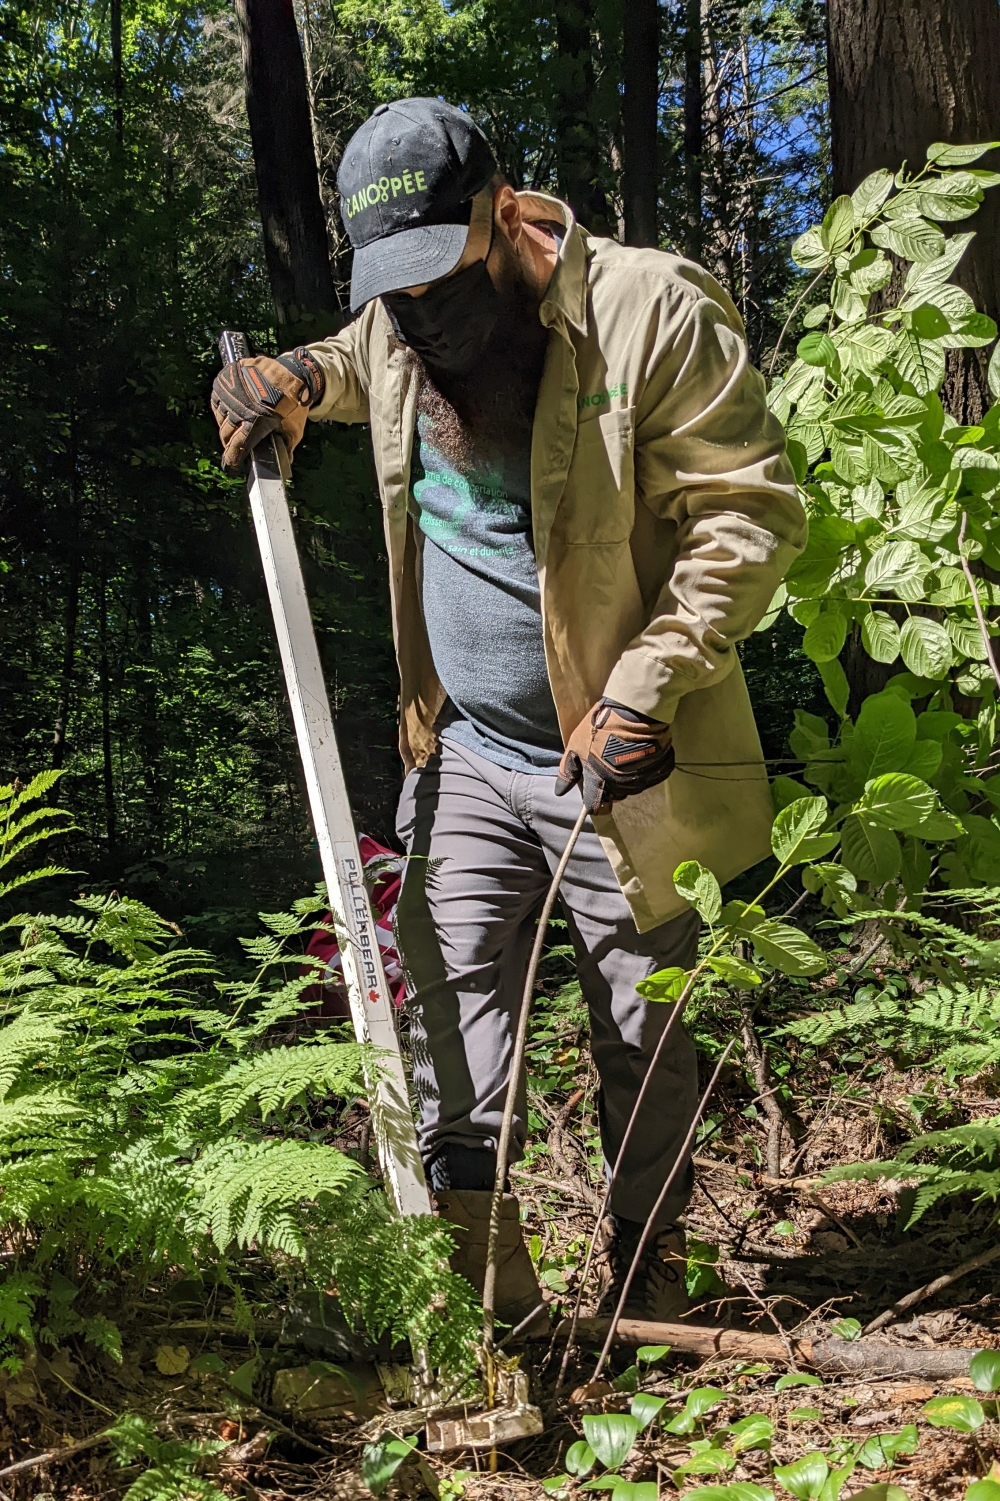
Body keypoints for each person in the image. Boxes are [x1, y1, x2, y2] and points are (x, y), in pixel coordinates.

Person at [211, 98, 806, 1329]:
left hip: (623, 767)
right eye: (395, 288)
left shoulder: (649, 311)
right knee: (450, 1025)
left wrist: (644, 690)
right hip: (464, 751)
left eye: (437, 274)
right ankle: (495, 1314)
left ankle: (649, 1289)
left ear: (501, 208)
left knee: (644, 1030)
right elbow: (349, 360)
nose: (420, 310)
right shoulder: (402, 322)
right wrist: (289, 381)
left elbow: (747, 515)